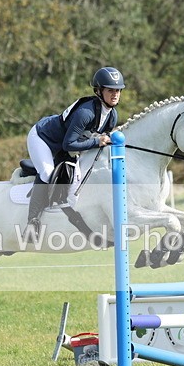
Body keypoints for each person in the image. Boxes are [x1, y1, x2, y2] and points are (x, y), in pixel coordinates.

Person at [23, 66, 125, 239]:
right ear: (99, 91)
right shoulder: (86, 112)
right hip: (43, 138)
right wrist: (96, 141)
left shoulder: (111, 115)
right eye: (110, 90)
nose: (115, 94)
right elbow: (69, 144)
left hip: (64, 146)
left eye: (118, 90)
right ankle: (32, 223)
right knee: (47, 174)